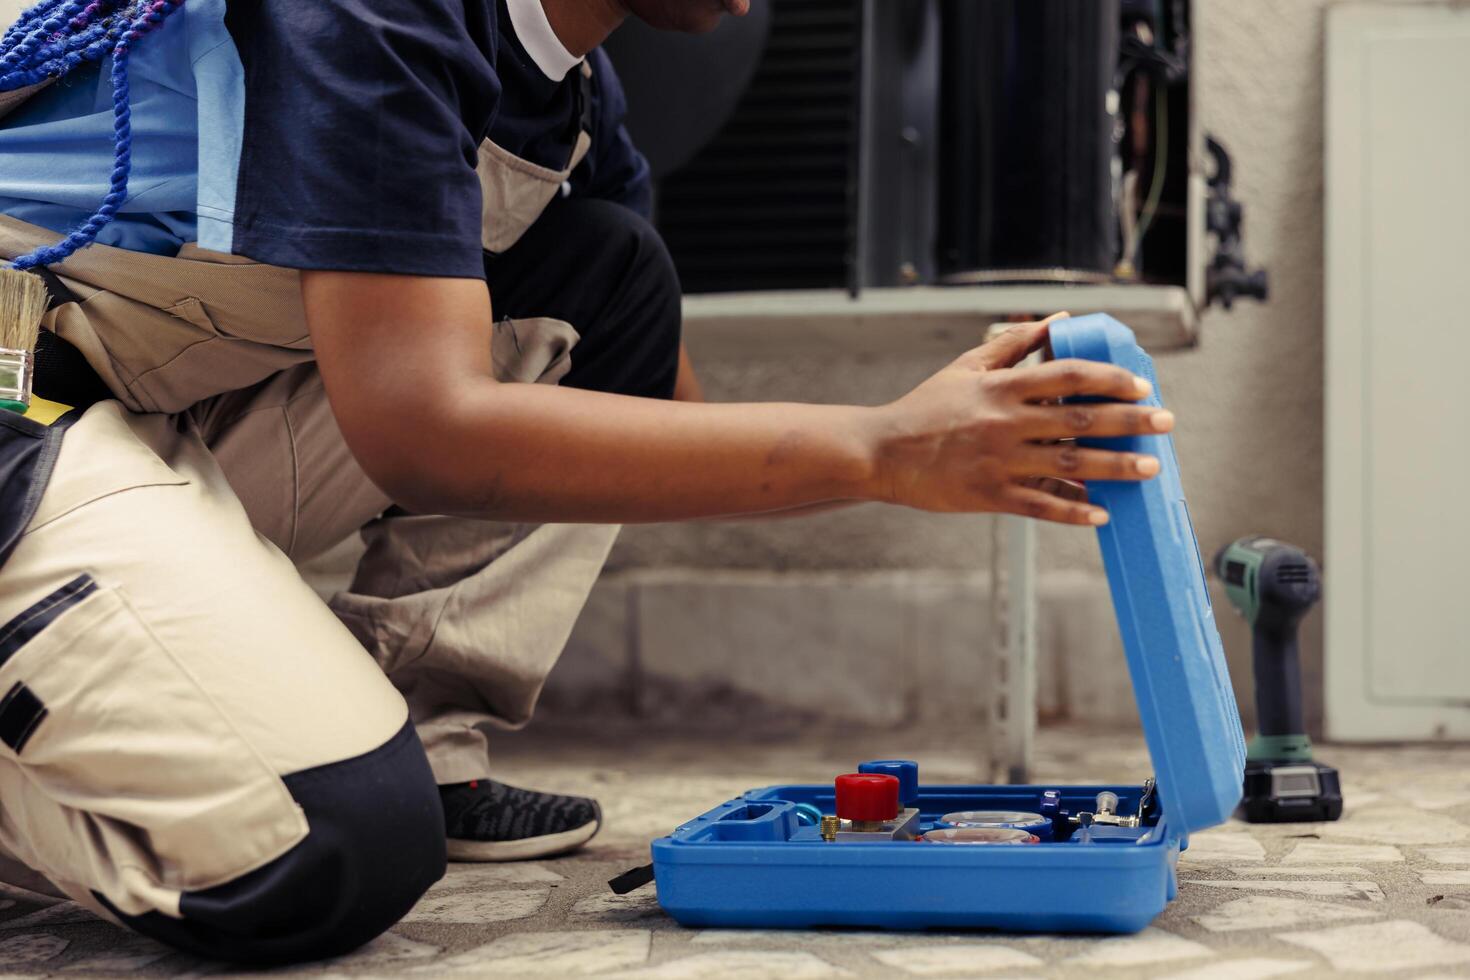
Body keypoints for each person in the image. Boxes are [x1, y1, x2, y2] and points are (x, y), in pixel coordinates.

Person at [0, 0, 1170, 964]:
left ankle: (425, 741)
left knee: (609, 276)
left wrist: (920, 439)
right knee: (323, 841)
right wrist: (879, 446)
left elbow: (660, 409)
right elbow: (423, 431)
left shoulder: (566, 98)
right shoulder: (371, 13)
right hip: (22, 399)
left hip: (149, 411)